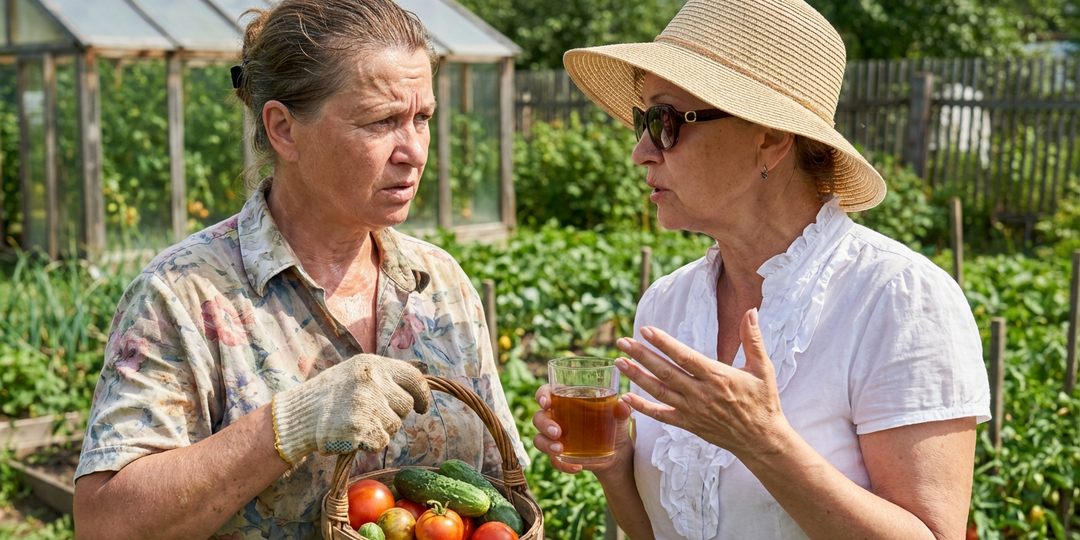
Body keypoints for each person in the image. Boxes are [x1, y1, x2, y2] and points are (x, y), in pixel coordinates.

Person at [531, 0, 991, 538]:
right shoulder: (667, 303)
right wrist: (615, 468)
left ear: (769, 136)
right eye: (642, 120)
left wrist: (762, 440)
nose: (641, 152)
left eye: (664, 121)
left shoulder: (899, 298)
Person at [72, 1, 527, 539]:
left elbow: (502, 490)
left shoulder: (440, 282)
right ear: (283, 129)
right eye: (382, 121)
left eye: (422, 118)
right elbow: (104, 525)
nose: (414, 150)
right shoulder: (184, 295)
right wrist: (288, 425)